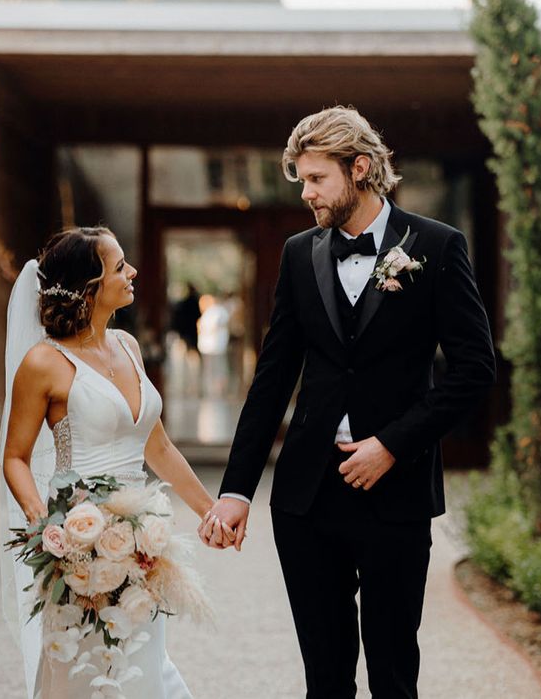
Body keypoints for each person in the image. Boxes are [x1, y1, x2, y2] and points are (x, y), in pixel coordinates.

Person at [201, 106, 496, 698]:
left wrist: (392, 445)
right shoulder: (297, 253)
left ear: (360, 169)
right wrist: (236, 491)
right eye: (303, 180)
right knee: (325, 679)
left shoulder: (438, 247)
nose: (306, 193)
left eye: (316, 179)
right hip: (306, 501)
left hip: (397, 494)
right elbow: (273, 377)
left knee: (392, 675)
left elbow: (474, 371)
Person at [0, 227, 232, 698]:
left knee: (143, 660)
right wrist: (49, 527)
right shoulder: (44, 362)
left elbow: (158, 448)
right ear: (89, 287)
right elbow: (15, 458)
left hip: (143, 540)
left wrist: (211, 510)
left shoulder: (128, 346)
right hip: (78, 545)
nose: (133, 273)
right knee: (82, 670)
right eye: (120, 266)